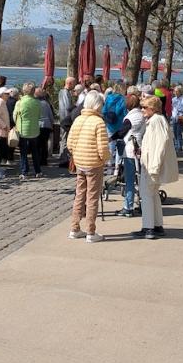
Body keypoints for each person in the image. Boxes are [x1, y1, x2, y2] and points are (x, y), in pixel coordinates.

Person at [66, 90, 109, 243]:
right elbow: (103, 148)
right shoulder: (98, 122)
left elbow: (70, 143)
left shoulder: (78, 119)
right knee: (92, 198)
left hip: (80, 162)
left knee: (79, 195)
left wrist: (77, 154)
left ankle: (74, 228)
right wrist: (105, 159)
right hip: (94, 164)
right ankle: (91, 231)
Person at [134, 96, 178, 239]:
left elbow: (160, 145)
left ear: (152, 108)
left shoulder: (156, 121)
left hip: (152, 165)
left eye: (144, 107)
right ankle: (156, 225)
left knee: (146, 194)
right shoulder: (156, 120)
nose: (142, 110)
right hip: (151, 163)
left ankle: (148, 227)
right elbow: (155, 144)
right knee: (152, 194)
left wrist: (155, 166)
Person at [118, 93, 146, 217]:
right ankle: (143, 204)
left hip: (130, 150)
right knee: (142, 179)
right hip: (141, 148)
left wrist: (110, 138)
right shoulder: (142, 115)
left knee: (129, 180)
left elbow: (121, 132)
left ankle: (128, 206)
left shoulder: (130, 118)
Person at [14, 82, 42, 179]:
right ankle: (38, 171)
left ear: (23, 91)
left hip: (23, 130)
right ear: (33, 91)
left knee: (23, 153)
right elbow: (39, 116)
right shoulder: (37, 102)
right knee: (35, 152)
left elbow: (15, 116)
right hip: (34, 130)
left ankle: (24, 172)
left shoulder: (20, 102)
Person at [102, 83, 128, 172]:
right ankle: (117, 168)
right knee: (120, 147)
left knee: (110, 146)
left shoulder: (108, 97)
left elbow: (104, 111)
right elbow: (125, 113)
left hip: (110, 124)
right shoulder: (123, 99)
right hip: (120, 125)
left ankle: (109, 167)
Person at [57, 76, 76, 166]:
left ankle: (63, 158)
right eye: (74, 83)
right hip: (65, 119)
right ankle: (63, 159)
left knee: (64, 138)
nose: (74, 86)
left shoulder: (62, 92)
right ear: (70, 83)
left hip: (63, 118)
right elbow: (68, 107)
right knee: (65, 138)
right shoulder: (65, 93)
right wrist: (75, 106)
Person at [35, 87, 55, 168]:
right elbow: (50, 115)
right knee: (44, 144)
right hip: (46, 125)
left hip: (37, 125)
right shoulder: (46, 103)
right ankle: (43, 160)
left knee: (37, 144)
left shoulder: (34, 103)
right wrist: (52, 123)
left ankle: (37, 160)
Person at [170, 84, 183, 152]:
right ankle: (176, 145)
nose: (175, 92)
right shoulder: (173, 99)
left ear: (180, 92)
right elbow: (172, 108)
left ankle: (179, 146)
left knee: (179, 132)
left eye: (177, 91)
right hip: (174, 117)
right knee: (174, 132)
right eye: (175, 91)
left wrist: (177, 106)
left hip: (180, 117)